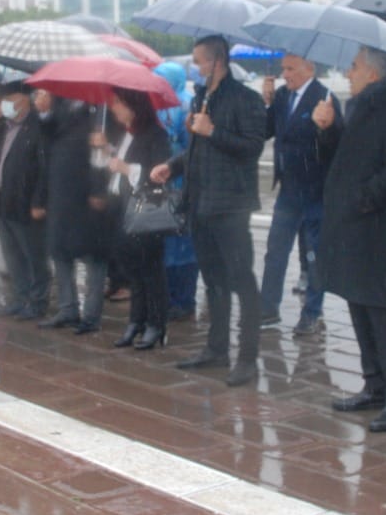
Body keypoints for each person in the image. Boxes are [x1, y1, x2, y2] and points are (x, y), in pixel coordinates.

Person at [151, 35, 267, 388]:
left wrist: (212, 130)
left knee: (241, 281)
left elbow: (251, 148)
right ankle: (217, 348)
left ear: (217, 62)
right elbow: (200, 152)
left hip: (230, 204)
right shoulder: (203, 98)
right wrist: (173, 165)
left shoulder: (246, 99)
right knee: (214, 280)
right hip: (200, 202)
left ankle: (247, 357)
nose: (195, 67)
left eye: (200, 61)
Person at [316, 46, 386, 432]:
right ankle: (374, 385)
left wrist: (362, 199)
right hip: (352, 227)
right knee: (359, 306)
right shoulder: (358, 107)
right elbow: (341, 159)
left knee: (383, 314)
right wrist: (328, 130)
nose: (349, 71)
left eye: (355, 66)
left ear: (374, 74)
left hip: (376, 230)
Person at [259, 54, 339, 334]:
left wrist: (326, 128)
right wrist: (267, 104)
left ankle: (312, 313)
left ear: (310, 68)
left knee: (315, 255)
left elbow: (335, 145)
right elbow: (266, 131)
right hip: (289, 189)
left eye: (290, 69)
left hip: (315, 191)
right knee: (276, 250)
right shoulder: (282, 96)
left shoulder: (325, 98)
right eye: (283, 69)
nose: (285, 74)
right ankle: (267, 308)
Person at [98, 88, 173, 350]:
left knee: (151, 269)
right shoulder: (124, 135)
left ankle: (156, 323)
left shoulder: (155, 134)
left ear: (134, 105)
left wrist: (127, 168)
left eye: (118, 102)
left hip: (144, 211)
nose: (114, 107)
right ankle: (136, 320)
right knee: (133, 269)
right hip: (120, 207)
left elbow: (159, 173)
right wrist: (107, 152)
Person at [36, 91, 110, 331]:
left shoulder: (100, 105)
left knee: (92, 255)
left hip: (86, 192)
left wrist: (99, 189)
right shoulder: (61, 101)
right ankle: (67, 308)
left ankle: (91, 315)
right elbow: (47, 137)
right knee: (60, 251)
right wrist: (45, 112)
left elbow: (105, 150)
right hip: (61, 190)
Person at [0, 82, 50, 320]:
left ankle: (38, 301)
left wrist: (39, 201)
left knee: (33, 254)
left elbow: (44, 169)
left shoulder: (38, 127)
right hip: (3, 198)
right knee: (12, 253)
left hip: (26, 201)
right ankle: (20, 297)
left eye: (8, 98)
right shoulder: (3, 127)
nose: (3, 103)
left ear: (23, 99)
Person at [155, 62, 200, 325]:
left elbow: (191, 146)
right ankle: (171, 297)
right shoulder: (158, 105)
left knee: (184, 244)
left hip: (182, 183)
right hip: (163, 181)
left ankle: (185, 299)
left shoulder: (187, 104)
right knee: (167, 242)